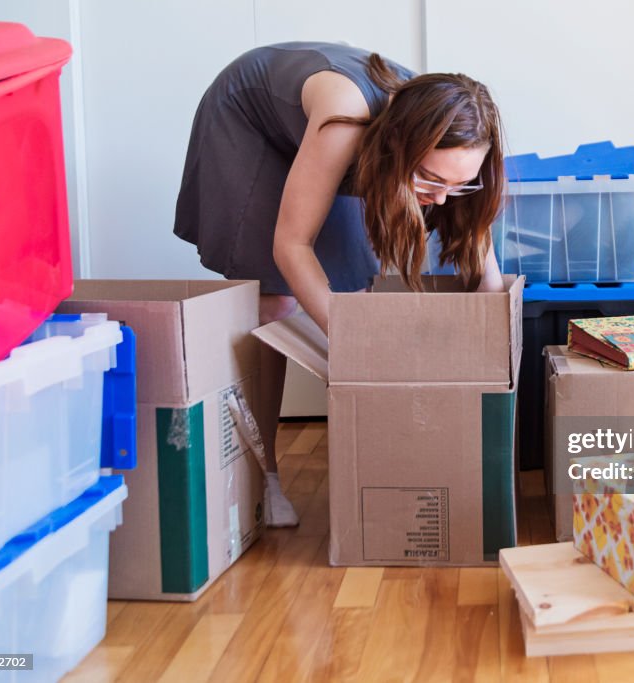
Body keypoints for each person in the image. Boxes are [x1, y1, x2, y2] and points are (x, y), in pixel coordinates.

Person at [173, 42, 507, 524]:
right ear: (400, 144)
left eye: (459, 184)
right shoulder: (346, 120)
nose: (440, 200)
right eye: (429, 179)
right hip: (251, 121)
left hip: (340, 134)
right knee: (276, 299)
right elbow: (291, 245)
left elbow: (480, 253)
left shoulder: (457, 129)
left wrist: (494, 347)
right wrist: (356, 349)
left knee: (352, 278)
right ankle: (261, 475)